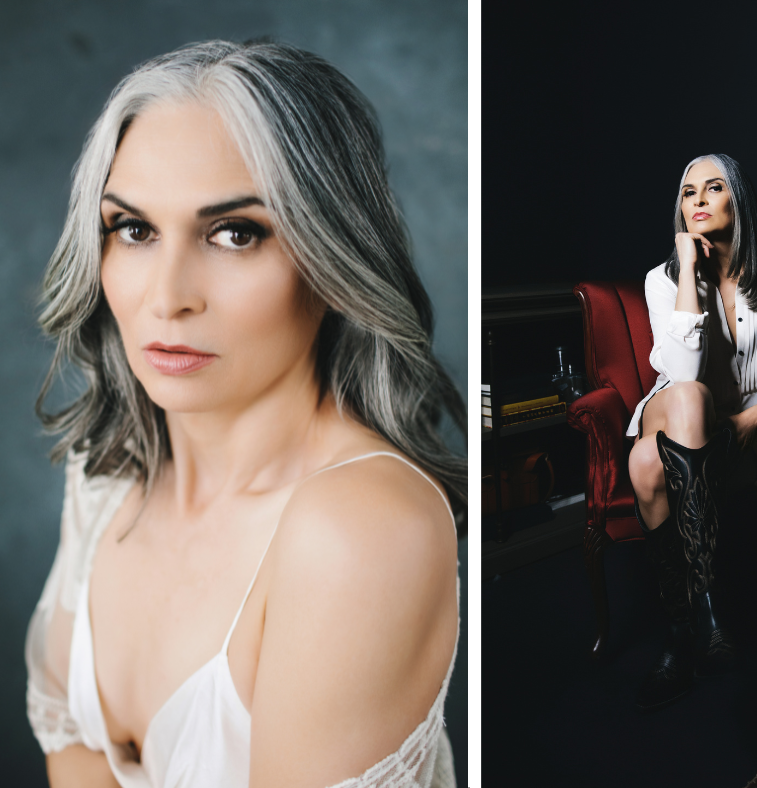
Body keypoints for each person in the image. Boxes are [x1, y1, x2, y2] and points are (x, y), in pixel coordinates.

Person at [24, 40, 466, 787]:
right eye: (134, 229)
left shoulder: (359, 532)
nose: (168, 296)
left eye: (235, 233)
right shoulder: (102, 478)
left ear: (332, 257)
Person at [626, 153, 757, 711]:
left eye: (712, 188)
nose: (696, 200)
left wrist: (755, 416)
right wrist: (688, 274)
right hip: (673, 410)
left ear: (736, 200)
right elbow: (684, 374)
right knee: (690, 395)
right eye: (687, 192)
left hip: (739, 440)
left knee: (647, 465)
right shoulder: (660, 280)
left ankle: (679, 636)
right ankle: (711, 612)